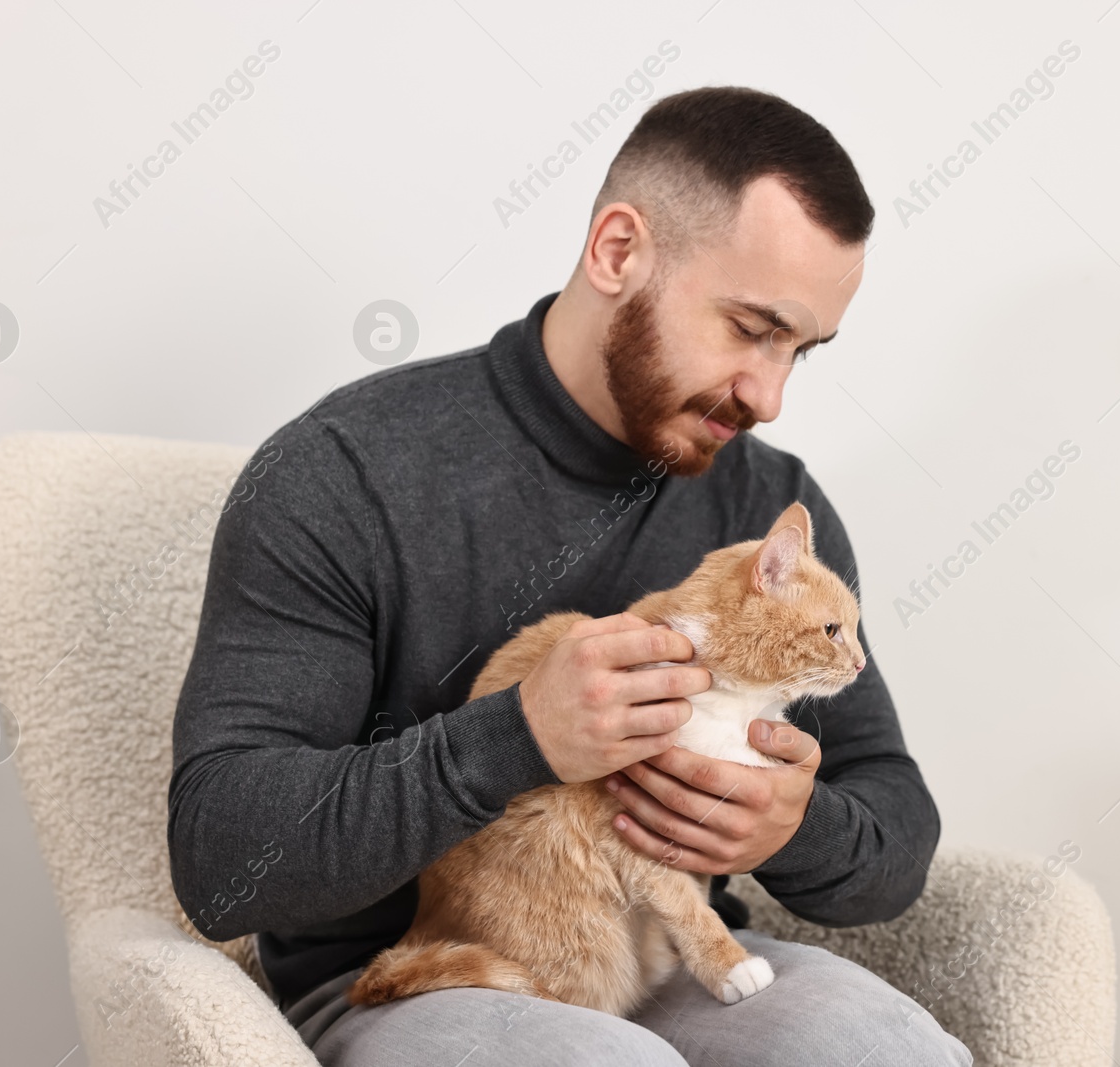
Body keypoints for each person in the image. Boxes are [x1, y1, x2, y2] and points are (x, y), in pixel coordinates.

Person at [169, 85, 971, 1065]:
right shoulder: (345, 472)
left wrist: (792, 827)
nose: (769, 394)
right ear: (618, 252)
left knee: (886, 1050)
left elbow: (894, 821)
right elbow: (220, 861)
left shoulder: (772, 518)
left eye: (799, 349)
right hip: (426, 974)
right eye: (751, 327)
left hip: (664, 951)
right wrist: (514, 737)